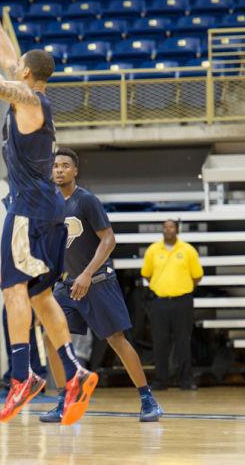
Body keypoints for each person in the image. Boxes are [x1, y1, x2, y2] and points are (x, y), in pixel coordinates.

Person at [0, 0, 96, 425]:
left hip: (28, 211)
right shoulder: (35, 97)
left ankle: (22, 376)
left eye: (18, 64)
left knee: (12, 291)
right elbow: (7, 60)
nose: (13, 65)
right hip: (48, 212)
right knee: (39, 295)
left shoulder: (24, 98)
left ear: (25, 72)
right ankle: (73, 371)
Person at [40, 148, 163, 423]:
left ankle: (148, 399)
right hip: (66, 286)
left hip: (97, 282)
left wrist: (85, 274)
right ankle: (64, 401)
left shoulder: (86, 201)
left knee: (116, 340)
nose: (59, 170)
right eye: (55, 166)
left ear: (75, 171)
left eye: (64, 166)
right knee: (51, 337)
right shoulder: (50, 205)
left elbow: (109, 240)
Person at [141, 220, 203, 391]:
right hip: (159, 302)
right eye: (165, 227)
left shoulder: (188, 250)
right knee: (160, 342)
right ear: (162, 230)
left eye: (171, 227)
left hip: (182, 302)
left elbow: (197, 276)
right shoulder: (153, 250)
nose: (168, 230)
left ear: (177, 230)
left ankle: (186, 381)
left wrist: (182, 289)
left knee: (183, 342)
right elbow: (146, 274)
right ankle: (161, 380)